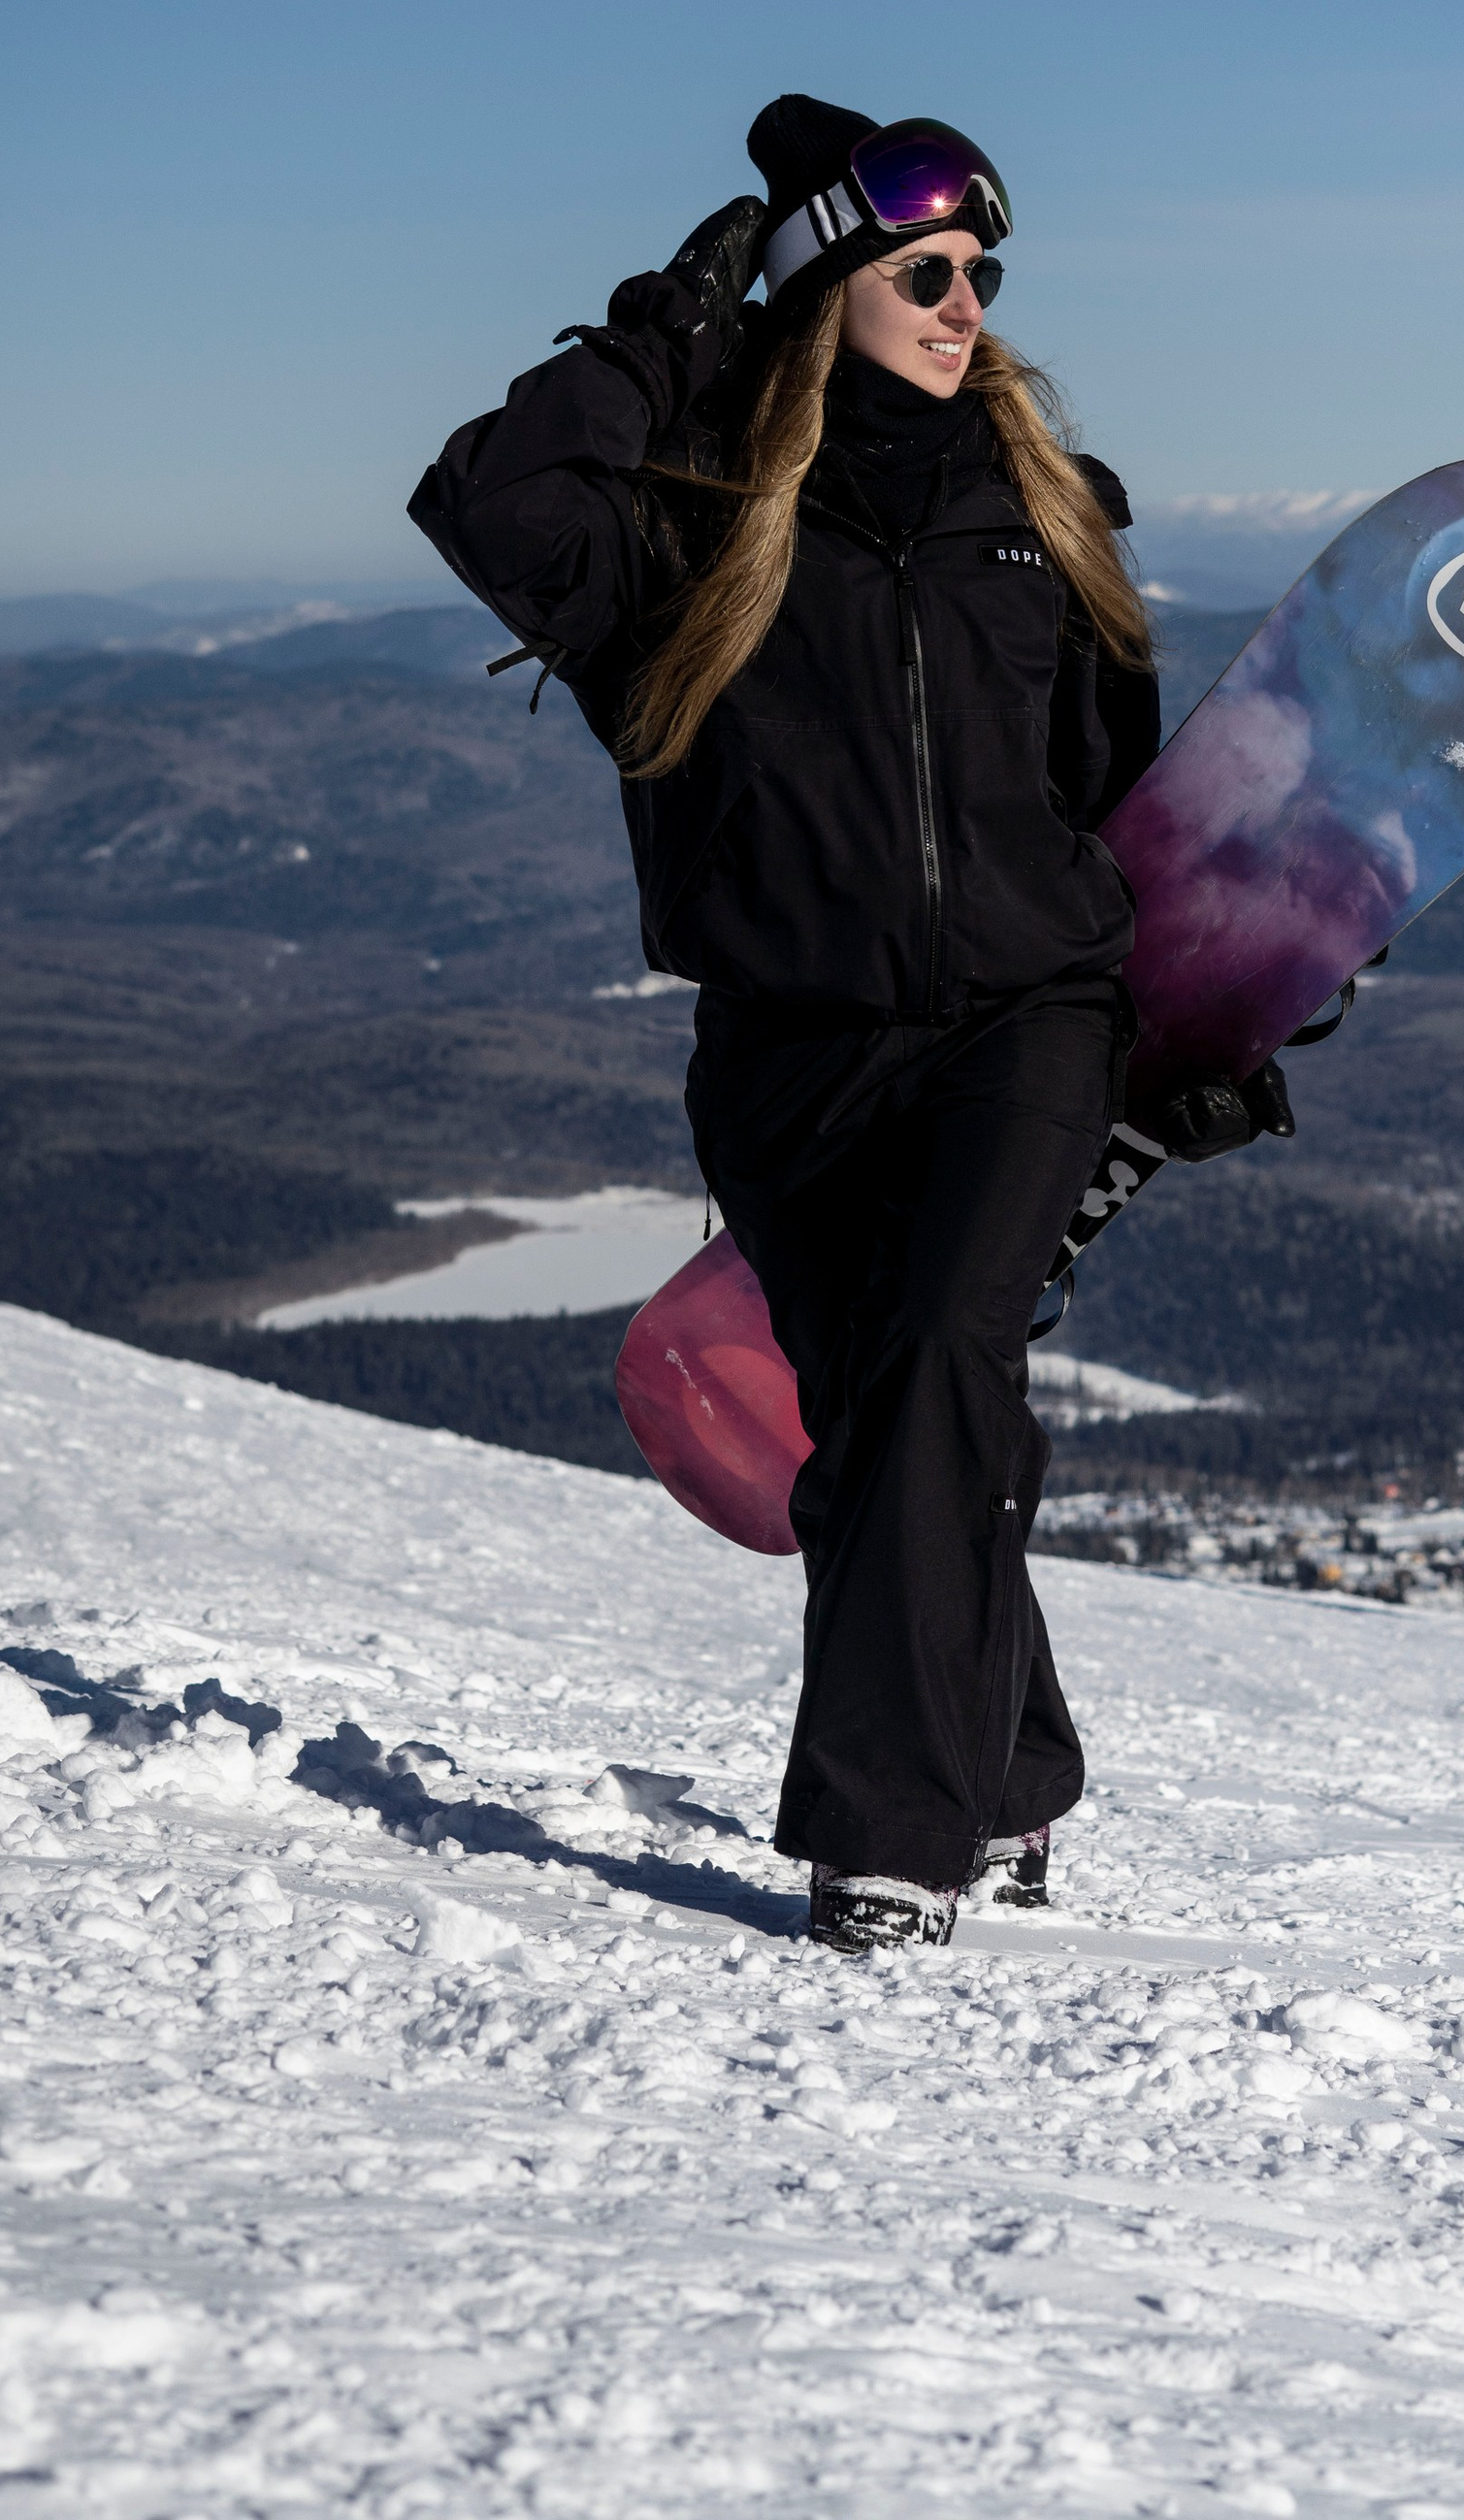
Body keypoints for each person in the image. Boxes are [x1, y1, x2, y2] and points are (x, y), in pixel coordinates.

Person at [409, 98, 1161, 1952]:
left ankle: (890, 1839)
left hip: (1022, 1024)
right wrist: (672, 323)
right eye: (923, 270)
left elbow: (1117, 800)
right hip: (791, 1051)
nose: (964, 300)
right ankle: (1010, 1773)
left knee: (933, 1357)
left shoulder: (1047, 512)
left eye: (983, 272)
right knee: (887, 1425)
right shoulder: (695, 523)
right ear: (826, 277)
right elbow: (491, 505)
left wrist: (1223, 1008)